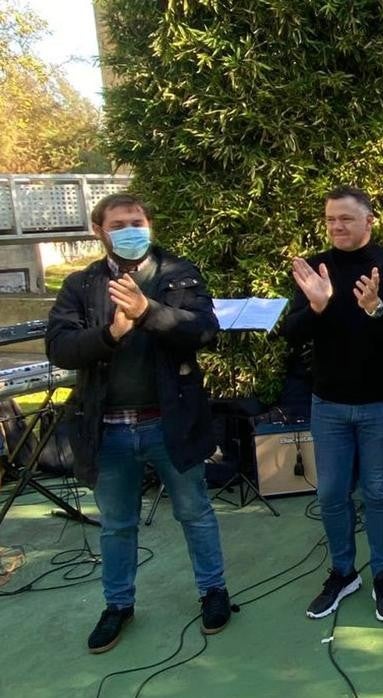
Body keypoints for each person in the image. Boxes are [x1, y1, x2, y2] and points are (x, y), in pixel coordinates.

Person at [47, 193, 230, 652]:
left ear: (148, 224)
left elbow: (204, 329)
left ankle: (214, 592)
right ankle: (118, 605)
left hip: (169, 422)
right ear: (99, 232)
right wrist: (112, 334)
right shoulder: (80, 285)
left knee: (195, 512)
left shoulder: (178, 274)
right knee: (117, 524)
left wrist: (148, 313)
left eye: (137, 221)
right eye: (119, 224)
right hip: (107, 427)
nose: (131, 230)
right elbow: (60, 348)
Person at [286, 186, 383, 622]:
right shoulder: (315, 270)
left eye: (345, 218)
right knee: (330, 494)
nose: (337, 226)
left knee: (379, 493)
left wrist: (376, 308)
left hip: (382, 402)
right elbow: (290, 332)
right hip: (329, 405)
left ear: (369, 220)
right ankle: (343, 572)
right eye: (330, 219)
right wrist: (318, 306)